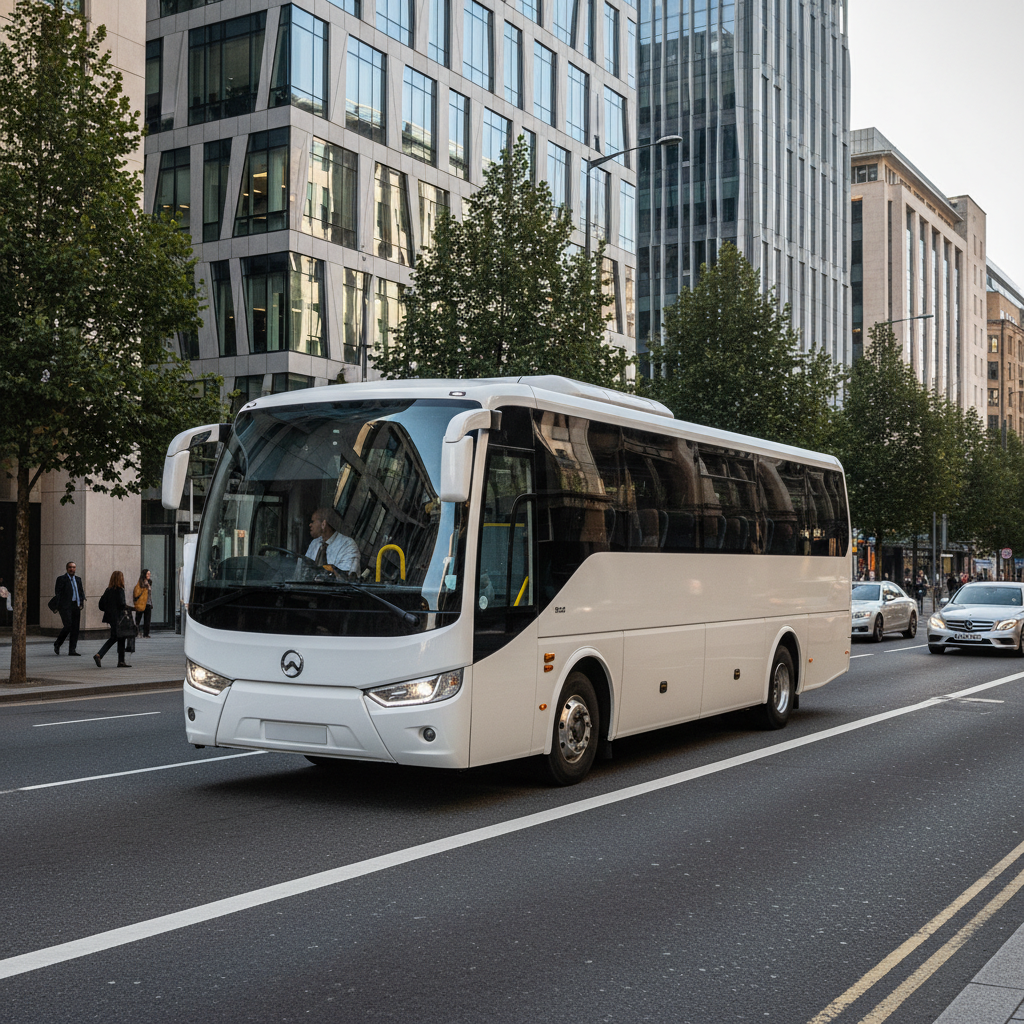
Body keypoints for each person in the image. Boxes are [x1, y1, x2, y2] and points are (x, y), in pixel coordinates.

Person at [304, 507, 359, 574]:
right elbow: (305, 569)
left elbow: (345, 577)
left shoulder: (348, 545)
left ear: (323, 524)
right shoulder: (315, 543)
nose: (310, 525)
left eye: (313, 521)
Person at [94, 570, 130, 669]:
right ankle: (100, 655)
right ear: (120, 579)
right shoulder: (120, 590)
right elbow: (122, 604)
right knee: (116, 637)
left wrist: (109, 609)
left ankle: (121, 661)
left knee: (118, 637)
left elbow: (101, 605)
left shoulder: (108, 590)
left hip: (110, 618)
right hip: (119, 618)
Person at [53, 561, 85, 656]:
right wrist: (61, 605)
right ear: (67, 568)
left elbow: (81, 592)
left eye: (74, 567)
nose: (72, 569)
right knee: (68, 625)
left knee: (75, 628)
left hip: (76, 605)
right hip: (65, 606)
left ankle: (72, 650)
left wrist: (81, 603)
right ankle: (58, 643)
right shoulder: (61, 579)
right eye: (70, 567)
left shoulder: (78, 579)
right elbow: (57, 592)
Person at [133, 569, 153, 638]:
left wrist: (151, 603)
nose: (149, 575)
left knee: (147, 620)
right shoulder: (140, 583)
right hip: (141, 603)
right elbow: (137, 593)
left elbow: (149, 595)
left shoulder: (149, 582)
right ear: (144, 574)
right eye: (148, 574)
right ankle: (135, 632)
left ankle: (146, 634)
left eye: (149, 574)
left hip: (148, 603)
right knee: (138, 619)